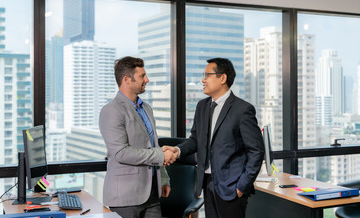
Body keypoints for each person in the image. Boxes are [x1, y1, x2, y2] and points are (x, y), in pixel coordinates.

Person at [163, 58, 265, 218]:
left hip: (232, 186)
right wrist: (177, 150)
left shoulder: (242, 109)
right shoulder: (202, 106)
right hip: (207, 183)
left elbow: (256, 151)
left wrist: (242, 185)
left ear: (222, 78)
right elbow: (195, 140)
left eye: (207, 75)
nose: (203, 80)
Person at [99, 56, 177, 218]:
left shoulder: (146, 108)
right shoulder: (111, 110)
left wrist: (163, 178)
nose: (147, 80)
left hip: (152, 194)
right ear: (127, 79)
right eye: (142, 76)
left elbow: (153, 145)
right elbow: (121, 152)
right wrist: (161, 155)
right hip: (125, 197)